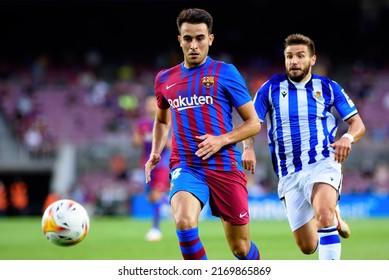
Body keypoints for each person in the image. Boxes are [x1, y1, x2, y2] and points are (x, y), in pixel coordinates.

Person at [145, 8, 261, 260]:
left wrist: (222, 139)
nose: (193, 45)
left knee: (240, 248)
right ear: (180, 40)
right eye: (188, 38)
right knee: (184, 222)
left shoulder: (226, 73)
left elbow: (253, 123)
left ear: (210, 39)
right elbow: (162, 121)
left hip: (224, 166)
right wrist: (156, 151)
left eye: (200, 38)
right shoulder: (165, 78)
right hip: (187, 165)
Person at [242, 33, 366, 260]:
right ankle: (335, 216)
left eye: (300, 56)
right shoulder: (270, 88)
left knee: (323, 216)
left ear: (312, 60)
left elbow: (357, 123)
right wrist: (248, 147)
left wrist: (347, 138)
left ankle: (330, 217)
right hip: (288, 173)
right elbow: (251, 123)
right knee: (308, 246)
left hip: (322, 161)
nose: (294, 61)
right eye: (289, 56)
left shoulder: (328, 87)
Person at [133, 96, 171, 241]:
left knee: (155, 195)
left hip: (162, 163)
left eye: (152, 104)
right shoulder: (142, 124)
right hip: (147, 163)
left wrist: (165, 142)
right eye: (147, 104)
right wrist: (137, 139)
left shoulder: (167, 120)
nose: (150, 107)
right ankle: (168, 202)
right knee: (151, 198)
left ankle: (155, 229)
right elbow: (136, 143)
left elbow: (172, 144)